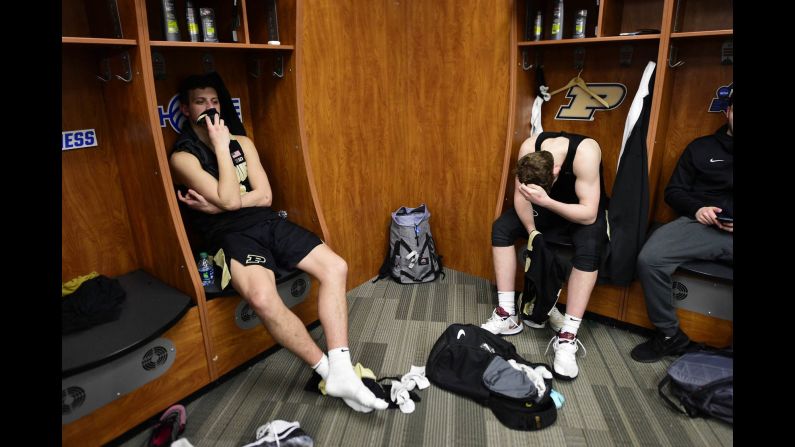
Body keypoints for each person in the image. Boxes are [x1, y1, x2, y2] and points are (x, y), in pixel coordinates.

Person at [169, 74, 388, 413]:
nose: (209, 108)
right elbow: (230, 198)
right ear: (185, 108)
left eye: (213, 101)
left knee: (336, 266)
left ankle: (342, 368)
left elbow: (265, 195)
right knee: (261, 297)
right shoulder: (183, 157)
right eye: (200, 102)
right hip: (229, 236)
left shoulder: (244, 142)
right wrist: (221, 150)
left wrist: (222, 201)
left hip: (266, 221)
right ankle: (328, 372)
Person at [483, 131, 608, 380]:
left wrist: (548, 201)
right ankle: (507, 314)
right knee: (502, 228)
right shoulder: (530, 147)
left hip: (580, 208)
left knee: (592, 245)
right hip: (541, 204)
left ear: (556, 171)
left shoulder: (586, 153)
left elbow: (590, 214)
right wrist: (532, 233)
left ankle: (568, 336)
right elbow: (521, 197)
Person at [631, 91, 733, 363]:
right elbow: (673, 191)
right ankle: (669, 335)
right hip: (700, 225)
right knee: (650, 259)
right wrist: (698, 209)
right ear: (727, 112)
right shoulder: (701, 148)